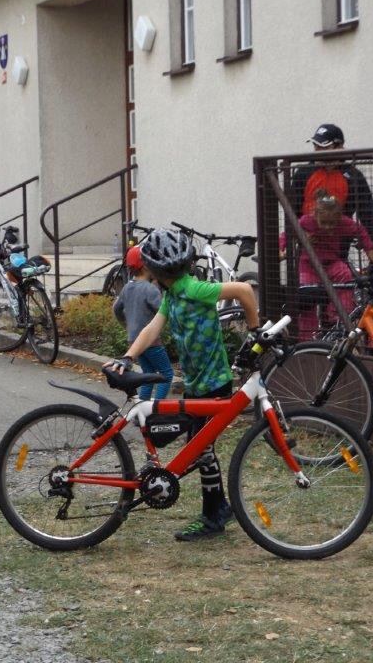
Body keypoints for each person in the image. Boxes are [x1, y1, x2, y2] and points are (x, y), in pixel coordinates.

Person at [109, 228, 259, 542]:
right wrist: (128, 356)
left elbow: (245, 290)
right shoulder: (173, 295)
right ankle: (219, 510)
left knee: (200, 449)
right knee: (200, 448)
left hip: (213, 384)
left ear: (155, 270)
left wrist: (255, 332)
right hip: (197, 383)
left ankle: (214, 516)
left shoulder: (194, 289)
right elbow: (152, 329)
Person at [281, 196, 373, 340]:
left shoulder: (344, 222)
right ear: (315, 215)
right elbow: (289, 232)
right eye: (324, 223)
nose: (327, 227)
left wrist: (369, 249)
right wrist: (284, 246)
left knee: (345, 275)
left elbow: (360, 231)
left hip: (332, 262)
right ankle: (306, 337)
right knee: (308, 297)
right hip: (309, 265)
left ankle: (338, 320)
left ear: (339, 218)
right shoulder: (307, 221)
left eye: (331, 223)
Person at [288, 123, 373, 250]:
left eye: (323, 147)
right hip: (308, 246)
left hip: (339, 246)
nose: (317, 151)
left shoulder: (353, 175)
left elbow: (368, 213)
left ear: (339, 146)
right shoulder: (303, 173)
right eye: (316, 146)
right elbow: (292, 211)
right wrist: (300, 236)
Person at [112, 245, 173, 400]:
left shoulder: (127, 287)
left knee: (147, 375)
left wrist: (126, 324)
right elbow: (164, 311)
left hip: (134, 341)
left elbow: (116, 309)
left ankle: (142, 407)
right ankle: (157, 408)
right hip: (151, 342)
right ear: (146, 266)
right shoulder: (150, 289)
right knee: (166, 374)